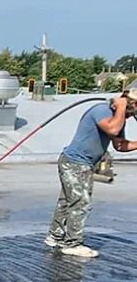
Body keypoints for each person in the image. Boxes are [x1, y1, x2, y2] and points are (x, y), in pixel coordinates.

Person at [46, 92, 137, 257]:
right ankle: (73, 244)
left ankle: (56, 236)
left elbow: (120, 145)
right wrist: (122, 106)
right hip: (75, 162)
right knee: (80, 202)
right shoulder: (102, 110)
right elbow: (112, 128)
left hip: (83, 164)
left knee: (68, 201)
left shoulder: (118, 119)